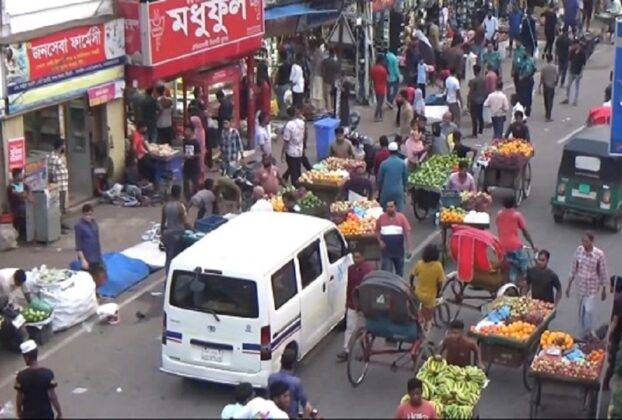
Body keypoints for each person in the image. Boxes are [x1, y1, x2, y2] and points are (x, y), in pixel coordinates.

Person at [566, 232, 609, 338]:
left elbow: (603, 272)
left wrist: (604, 289)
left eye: (586, 241)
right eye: (583, 241)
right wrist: (568, 285)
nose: (584, 244)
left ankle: (588, 332)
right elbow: (573, 268)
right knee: (581, 311)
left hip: (592, 288)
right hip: (580, 287)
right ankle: (584, 332)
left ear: (592, 241)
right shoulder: (579, 250)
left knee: (588, 310)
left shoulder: (599, 254)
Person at [337, 250, 373, 362]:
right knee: (350, 328)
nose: (356, 259)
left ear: (363, 257)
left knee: (365, 328)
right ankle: (346, 350)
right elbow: (349, 286)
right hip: (353, 303)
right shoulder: (351, 269)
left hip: (364, 304)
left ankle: (366, 349)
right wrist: (347, 302)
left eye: (358, 257)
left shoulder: (368, 270)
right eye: (354, 257)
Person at [14, 340, 62, 419]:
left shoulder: (21, 376)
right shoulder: (48, 374)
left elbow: (19, 397)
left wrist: (19, 412)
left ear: (27, 357)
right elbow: (53, 396)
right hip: (46, 414)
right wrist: (59, 413)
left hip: (28, 415)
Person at [496, 195, 536, 284]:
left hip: (501, 246)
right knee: (524, 264)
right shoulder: (517, 215)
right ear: (514, 204)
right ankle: (522, 281)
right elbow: (525, 232)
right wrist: (533, 245)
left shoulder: (499, 214)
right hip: (515, 246)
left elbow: (499, 229)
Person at [267, 349, 314, 418]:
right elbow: (306, 406)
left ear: (281, 361)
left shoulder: (271, 377)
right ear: (293, 364)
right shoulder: (295, 382)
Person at [410, 244, 445, 328]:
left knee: (418, 309)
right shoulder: (438, 266)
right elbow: (440, 282)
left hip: (418, 293)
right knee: (428, 317)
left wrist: (412, 285)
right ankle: (426, 325)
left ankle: (419, 319)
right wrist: (438, 292)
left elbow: (411, 276)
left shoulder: (419, 264)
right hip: (430, 296)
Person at [161, 185, 191, 275]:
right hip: (178, 235)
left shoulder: (165, 206)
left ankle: (167, 276)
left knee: (168, 257)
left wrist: (162, 235)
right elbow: (185, 222)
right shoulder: (180, 206)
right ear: (179, 193)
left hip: (168, 235)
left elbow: (163, 223)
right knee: (177, 257)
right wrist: (193, 230)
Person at [376, 200, 412, 276]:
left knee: (399, 275)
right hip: (386, 252)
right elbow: (377, 230)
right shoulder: (381, 218)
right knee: (387, 275)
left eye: (391, 207)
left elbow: (407, 232)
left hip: (398, 252)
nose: (389, 208)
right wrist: (380, 241)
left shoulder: (401, 217)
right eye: (387, 207)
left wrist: (409, 248)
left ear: (395, 207)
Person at [47, 138, 70, 233]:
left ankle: (61, 223)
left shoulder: (58, 156)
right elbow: (51, 172)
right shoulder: (53, 157)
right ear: (60, 146)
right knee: (58, 207)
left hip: (63, 185)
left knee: (62, 206)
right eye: (63, 145)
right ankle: (59, 227)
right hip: (58, 186)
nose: (64, 147)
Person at [377, 143, 409, 211]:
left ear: (389, 151)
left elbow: (380, 179)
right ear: (397, 151)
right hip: (398, 191)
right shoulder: (402, 163)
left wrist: (380, 190)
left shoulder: (384, 163)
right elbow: (405, 178)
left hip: (386, 191)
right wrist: (405, 190)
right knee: (400, 211)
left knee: (384, 211)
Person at [75, 204, 103, 275]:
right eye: (86, 215)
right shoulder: (79, 226)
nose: (88, 217)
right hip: (87, 258)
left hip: (96, 256)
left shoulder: (94, 223)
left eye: (90, 214)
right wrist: (83, 260)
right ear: (83, 214)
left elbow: (96, 239)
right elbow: (78, 245)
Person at [281, 107, 305, 186]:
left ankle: (295, 187)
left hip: (291, 152)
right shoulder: (302, 123)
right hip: (299, 151)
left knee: (293, 173)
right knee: (297, 170)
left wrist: (282, 153)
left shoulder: (289, 126)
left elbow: (286, 141)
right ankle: (298, 185)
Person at [7, 168, 31, 241]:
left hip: (23, 207)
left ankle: (23, 236)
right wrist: (26, 195)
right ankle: (21, 237)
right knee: (21, 217)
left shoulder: (22, 184)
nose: (22, 176)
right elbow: (19, 195)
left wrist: (27, 194)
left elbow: (29, 189)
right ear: (16, 176)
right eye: (21, 174)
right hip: (16, 209)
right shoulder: (11, 186)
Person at [562, 40, 587, 106]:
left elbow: (583, 63)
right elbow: (570, 60)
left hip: (578, 71)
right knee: (568, 85)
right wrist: (569, 69)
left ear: (577, 44)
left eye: (574, 45)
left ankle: (575, 101)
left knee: (576, 87)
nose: (573, 46)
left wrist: (581, 72)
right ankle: (567, 98)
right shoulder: (572, 51)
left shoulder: (582, 52)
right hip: (572, 71)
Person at [182, 123, 202, 200]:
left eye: (188, 131)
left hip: (194, 166)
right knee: (185, 183)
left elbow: (199, 154)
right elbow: (184, 152)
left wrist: (191, 156)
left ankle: (198, 197)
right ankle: (188, 199)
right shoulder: (185, 141)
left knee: (195, 183)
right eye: (185, 130)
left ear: (192, 132)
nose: (186, 132)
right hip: (186, 166)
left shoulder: (195, 142)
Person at [468, 64, 487, 138]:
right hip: (481, 99)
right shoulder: (483, 80)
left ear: (474, 71)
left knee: (474, 117)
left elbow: (471, 92)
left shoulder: (472, 81)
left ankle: (474, 132)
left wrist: (468, 100)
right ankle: (480, 130)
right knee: (480, 115)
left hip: (474, 100)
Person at [540, 54, 559, 122]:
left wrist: (540, 85)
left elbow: (542, 77)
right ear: (552, 59)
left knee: (546, 100)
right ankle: (548, 116)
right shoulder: (554, 67)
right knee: (550, 101)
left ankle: (546, 112)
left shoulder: (544, 67)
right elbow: (557, 76)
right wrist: (556, 82)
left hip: (545, 85)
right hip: (551, 85)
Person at [321, 48, 340, 114]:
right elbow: (337, 72)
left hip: (326, 79)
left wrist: (323, 76)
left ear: (329, 53)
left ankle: (328, 108)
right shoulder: (335, 63)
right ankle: (332, 107)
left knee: (327, 94)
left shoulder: (325, 61)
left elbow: (322, 70)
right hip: (333, 80)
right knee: (332, 94)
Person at [274, 52, 292, 119]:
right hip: (287, 84)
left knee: (281, 100)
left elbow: (278, 76)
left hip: (281, 85)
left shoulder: (281, 66)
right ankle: (287, 113)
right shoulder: (290, 65)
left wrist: (275, 83)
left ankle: (282, 114)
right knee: (287, 101)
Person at [371, 55, 389, 122]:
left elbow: (372, 78)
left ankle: (381, 116)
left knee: (379, 102)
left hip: (376, 87)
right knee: (380, 103)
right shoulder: (383, 70)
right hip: (382, 88)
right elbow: (386, 79)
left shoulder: (373, 68)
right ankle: (376, 116)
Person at [190, 111, 206, 182]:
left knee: (199, 164)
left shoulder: (200, 131)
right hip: (197, 150)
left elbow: (200, 143)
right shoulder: (197, 129)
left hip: (199, 150)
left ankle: (200, 179)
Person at [309, 43, 325, 112]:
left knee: (314, 92)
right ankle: (319, 107)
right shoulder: (321, 57)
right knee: (319, 92)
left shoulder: (315, 57)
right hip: (319, 76)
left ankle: (315, 107)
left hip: (315, 76)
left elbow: (312, 67)